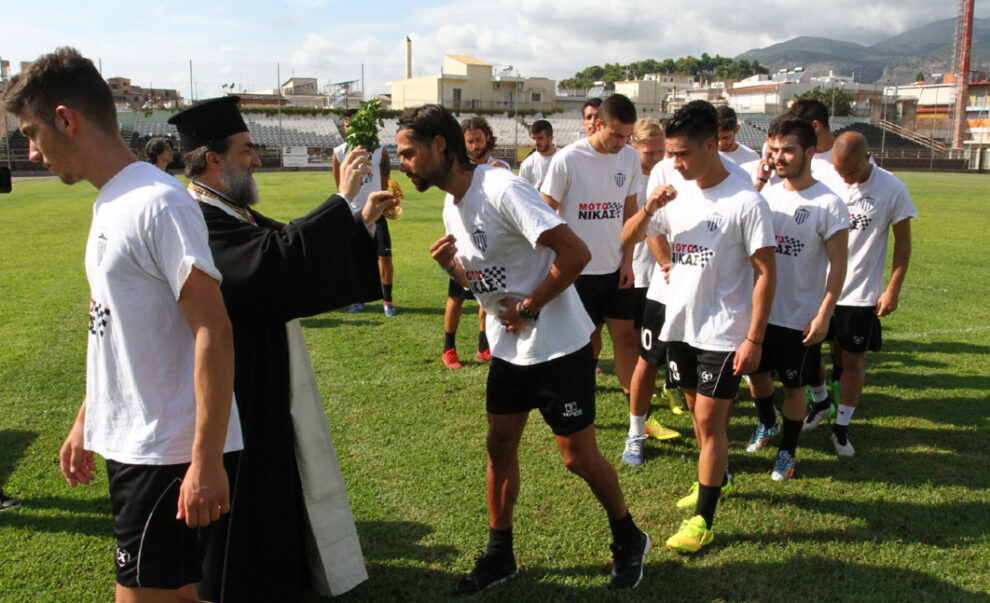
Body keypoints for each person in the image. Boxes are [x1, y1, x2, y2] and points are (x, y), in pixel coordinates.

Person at [4, 47, 242, 602]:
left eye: (32, 133)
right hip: (139, 442)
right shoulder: (111, 203)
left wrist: (205, 460)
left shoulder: (158, 203)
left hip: (169, 451)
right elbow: (112, 327)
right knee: (178, 594)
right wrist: (89, 417)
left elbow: (214, 329)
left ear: (66, 119)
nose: (31, 152)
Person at [398, 104, 650, 593]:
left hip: (558, 345)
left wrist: (531, 306)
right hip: (509, 350)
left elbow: (575, 253)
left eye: (408, 153)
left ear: (439, 146)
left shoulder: (501, 188)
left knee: (577, 456)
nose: (402, 162)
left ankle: (628, 537)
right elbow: (488, 286)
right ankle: (500, 555)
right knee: (499, 445)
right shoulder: (454, 203)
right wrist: (454, 270)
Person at [169, 96, 392, 601]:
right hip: (236, 390)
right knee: (245, 507)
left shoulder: (231, 211)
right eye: (245, 149)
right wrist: (340, 202)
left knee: (274, 491)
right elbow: (272, 265)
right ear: (212, 159)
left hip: (264, 380)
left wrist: (360, 221)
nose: (254, 159)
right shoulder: (194, 217)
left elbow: (287, 244)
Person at [624, 100, 775, 553]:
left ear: (712, 146)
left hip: (726, 330)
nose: (674, 163)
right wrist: (650, 208)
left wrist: (755, 338)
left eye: (682, 154)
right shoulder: (677, 192)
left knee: (710, 424)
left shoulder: (746, 200)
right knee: (697, 417)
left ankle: (703, 520)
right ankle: (717, 478)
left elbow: (766, 272)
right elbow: (629, 238)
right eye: (670, 153)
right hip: (681, 324)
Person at [742, 119, 848, 481]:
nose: (779, 157)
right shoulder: (765, 194)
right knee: (756, 375)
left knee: (793, 385)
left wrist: (824, 314)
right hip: (759, 311)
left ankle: (787, 452)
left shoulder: (829, 203)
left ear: (810, 152)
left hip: (799, 316)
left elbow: (838, 267)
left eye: (788, 149)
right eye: (774, 149)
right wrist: (758, 182)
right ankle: (767, 424)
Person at [810, 131, 917, 456]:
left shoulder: (892, 188)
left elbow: (903, 242)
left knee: (852, 360)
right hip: (819, 288)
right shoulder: (827, 179)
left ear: (867, 158)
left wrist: (893, 289)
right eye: (840, 172)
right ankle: (821, 402)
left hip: (860, 293)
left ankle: (841, 429)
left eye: (851, 173)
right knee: (810, 353)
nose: (845, 178)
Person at [541, 94, 645, 402]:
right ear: (597, 123)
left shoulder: (629, 158)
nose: (622, 143)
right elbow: (544, 215)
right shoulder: (568, 159)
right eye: (616, 135)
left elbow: (629, 214)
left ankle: (638, 418)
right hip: (577, 273)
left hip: (615, 270)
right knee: (584, 342)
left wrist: (628, 262)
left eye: (627, 136)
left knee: (626, 340)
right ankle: (579, 399)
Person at [619, 117, 682, 466]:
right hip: (653, 281)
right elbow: (643, 229)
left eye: (667, 151)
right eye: (655, 151)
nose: (663, 158)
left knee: (684, 362)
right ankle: (636, 431)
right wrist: (666, 265)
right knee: (646, 355)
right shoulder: (650, 175)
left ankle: (715, 460)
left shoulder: (725, 180)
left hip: (697, 292)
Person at [441, 117, 509, 369]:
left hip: (491, 242)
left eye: (478, 140)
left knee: (488, 292)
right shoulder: (456, 168)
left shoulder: (499, 167)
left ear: (487, 138)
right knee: (456, 296)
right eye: (469, 141)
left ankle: (484, 346)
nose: (474, 145)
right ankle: (449, 348)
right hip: (464, 240)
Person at [333, 109, 398, 316]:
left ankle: (387, 301)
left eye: (352, 123)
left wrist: (387, 201)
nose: (348, 127)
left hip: (377, 212)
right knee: (355, 258)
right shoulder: (340, 152)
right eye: (345, 124)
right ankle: (358, 299)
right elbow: (339, 186)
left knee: (384, 257)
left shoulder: (379, 150)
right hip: (354, 214)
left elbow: (386, 178)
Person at [518, 119, 556, 189]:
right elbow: (522, 192)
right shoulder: (527, 164)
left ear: (551, 138)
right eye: (533, 138)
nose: (536, 142)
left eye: (540, 138)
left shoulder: (565, 158)